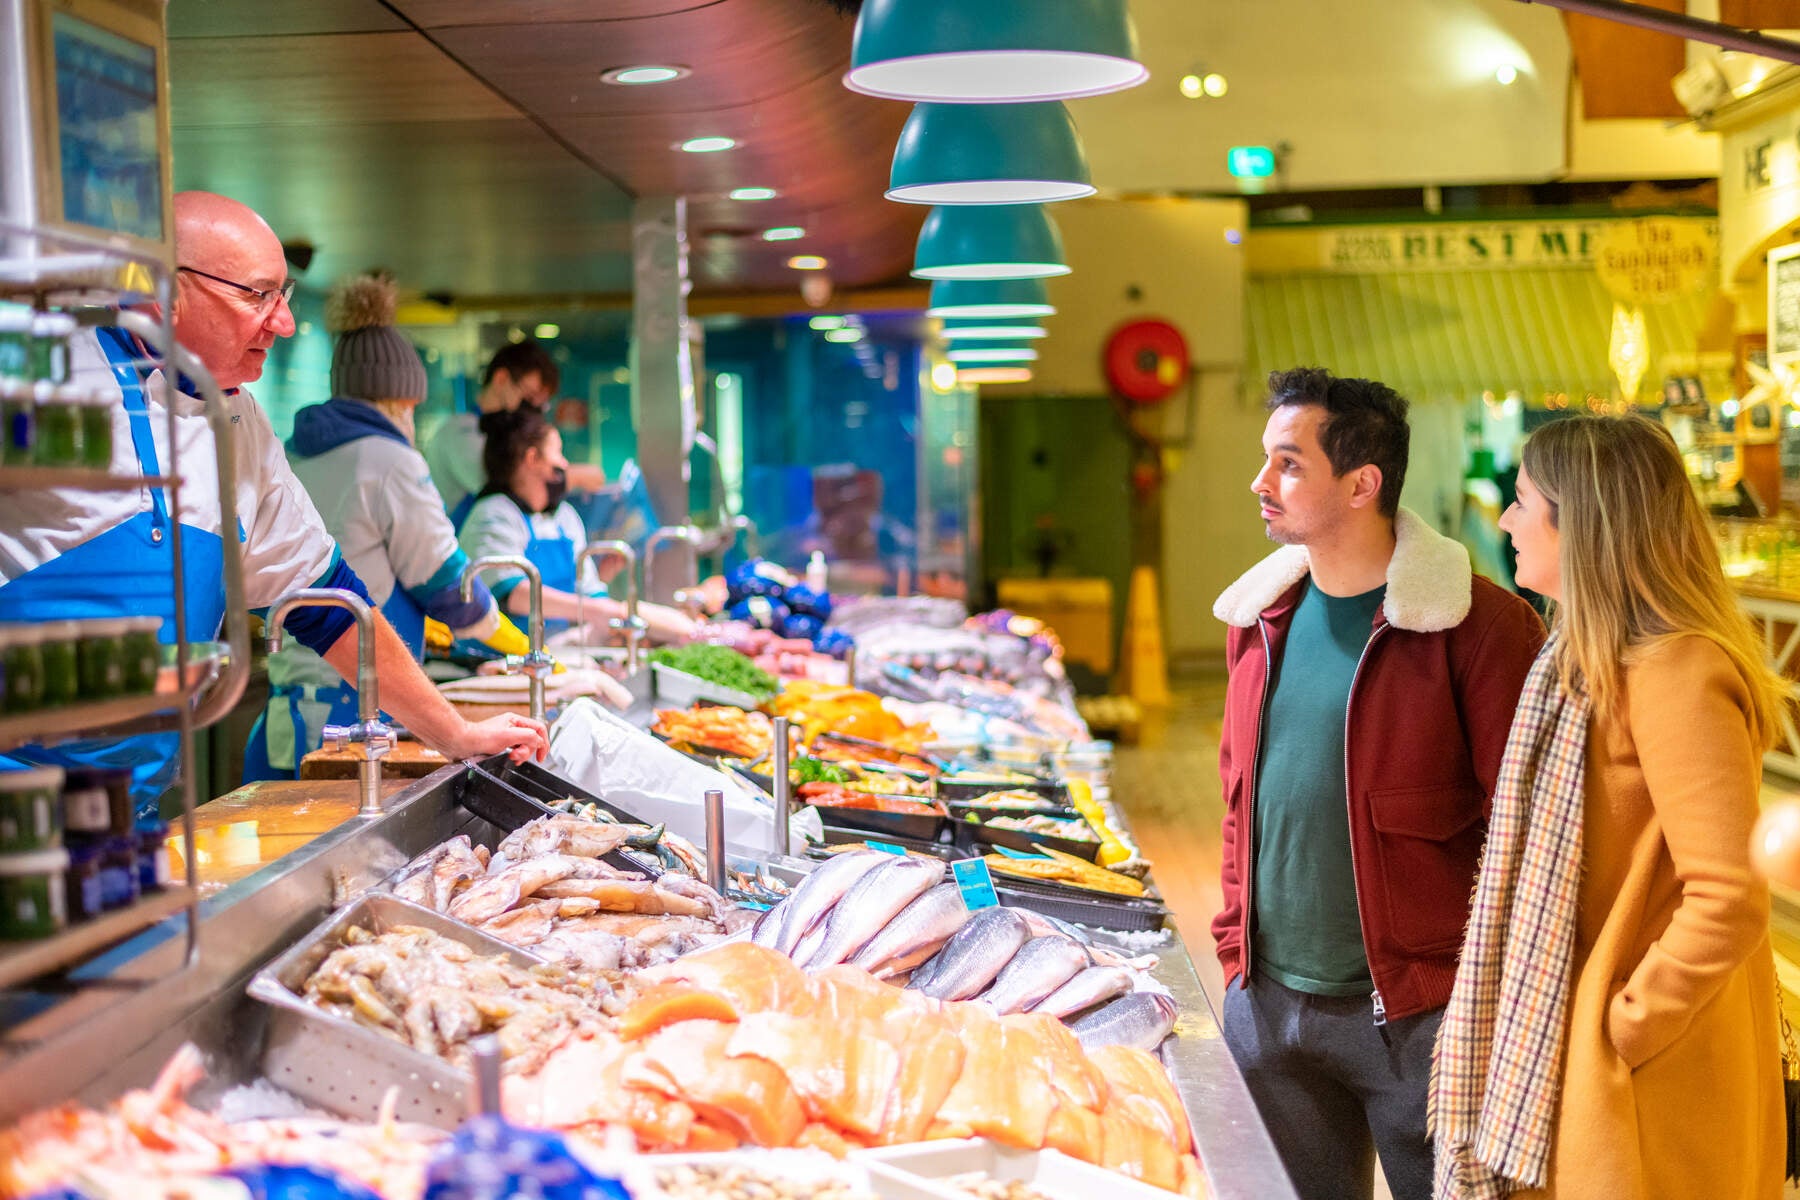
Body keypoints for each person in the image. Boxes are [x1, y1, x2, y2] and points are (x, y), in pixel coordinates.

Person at [0, 192, 547, 815]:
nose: (283, 322)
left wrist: (454, 733)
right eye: (258, 295)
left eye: (283, 296)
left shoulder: (239, 421)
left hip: (127, 816)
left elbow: (333, 606)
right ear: (166, 289)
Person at [1210, 367, 1544, 1200]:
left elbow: (1530, 832)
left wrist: (1488, 1002)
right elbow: (1238, 798)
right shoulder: (1257, 620)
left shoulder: (1479, 625)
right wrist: (1232, 949)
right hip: (1271, 1006)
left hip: (1423, 1015)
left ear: (1362, 483)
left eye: (1289, 464)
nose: (1261, 483)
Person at [1432, 414, 1784, 1200]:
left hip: (1657, 1077)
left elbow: (1729, 898)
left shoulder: (1674, 673)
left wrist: (1623, 1028)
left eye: (1522, 501)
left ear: (1583, 521)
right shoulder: (1580, 660)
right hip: (1593, 1045)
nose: (1507, 520)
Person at [242, 274, 538, 781]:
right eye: (412, 407)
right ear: (398, 402)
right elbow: (450, 588)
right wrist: (522, 648)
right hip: (360, 711)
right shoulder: (391, 460)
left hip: (286, 711)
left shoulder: (289, 451)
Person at [459, 405, 695, 643]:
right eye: (558, 453)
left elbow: (591, 591)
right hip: (498, 655)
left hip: (556, 647)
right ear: (532, 459)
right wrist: (597, 610)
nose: (564, 463)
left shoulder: (564, 517)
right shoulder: (493, 513)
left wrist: (620, 619)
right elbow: (512, 593)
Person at [423, 339, 603, 528]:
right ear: (501, 378)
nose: (531, 410)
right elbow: (514, 484)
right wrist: (574, 476)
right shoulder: (461, 433)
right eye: (529, 397)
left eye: (540, 405)